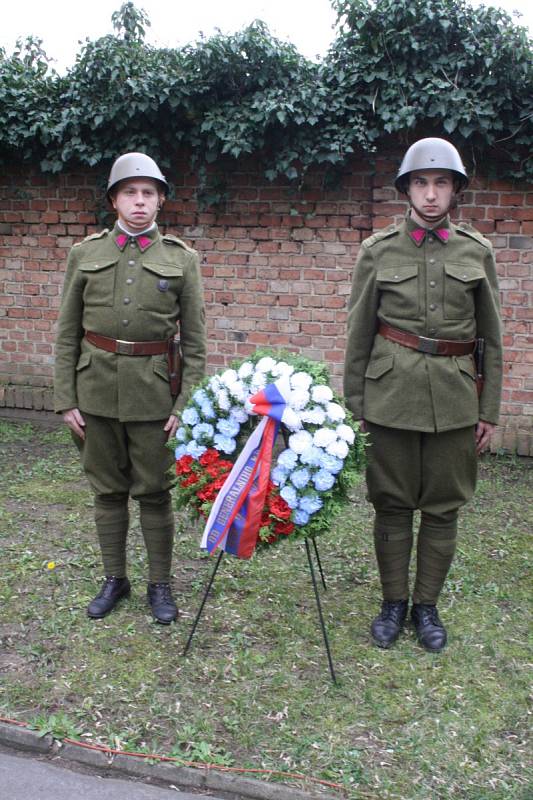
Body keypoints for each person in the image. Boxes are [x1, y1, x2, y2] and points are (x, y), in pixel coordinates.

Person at [343, 138, 503, 651]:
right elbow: (358, 332)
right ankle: (393, 603)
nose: (431, 194)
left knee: (443, 507)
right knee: (390, 504)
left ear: (455, 190)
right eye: (420, 182)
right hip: (389, 395)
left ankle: (426, 606)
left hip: (456, 397)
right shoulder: (378, 251)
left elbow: (493, 338)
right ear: (406, 189)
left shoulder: (475, 252)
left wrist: (489, 409)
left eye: (441, 183)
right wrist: (355, 407)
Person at [54, 152, 206, 624]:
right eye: (129, 192)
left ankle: (159, 585)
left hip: (153, 394)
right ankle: (114, 578)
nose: (139, 201)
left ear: (160, 200)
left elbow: (196, 342)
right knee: (107, 491)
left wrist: (184, 402)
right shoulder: (86, 254)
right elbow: (66, 331)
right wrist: (65, 399)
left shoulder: (181, 259)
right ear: (114, 201)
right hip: (95, 389)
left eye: (148, 193)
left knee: (155, 492)